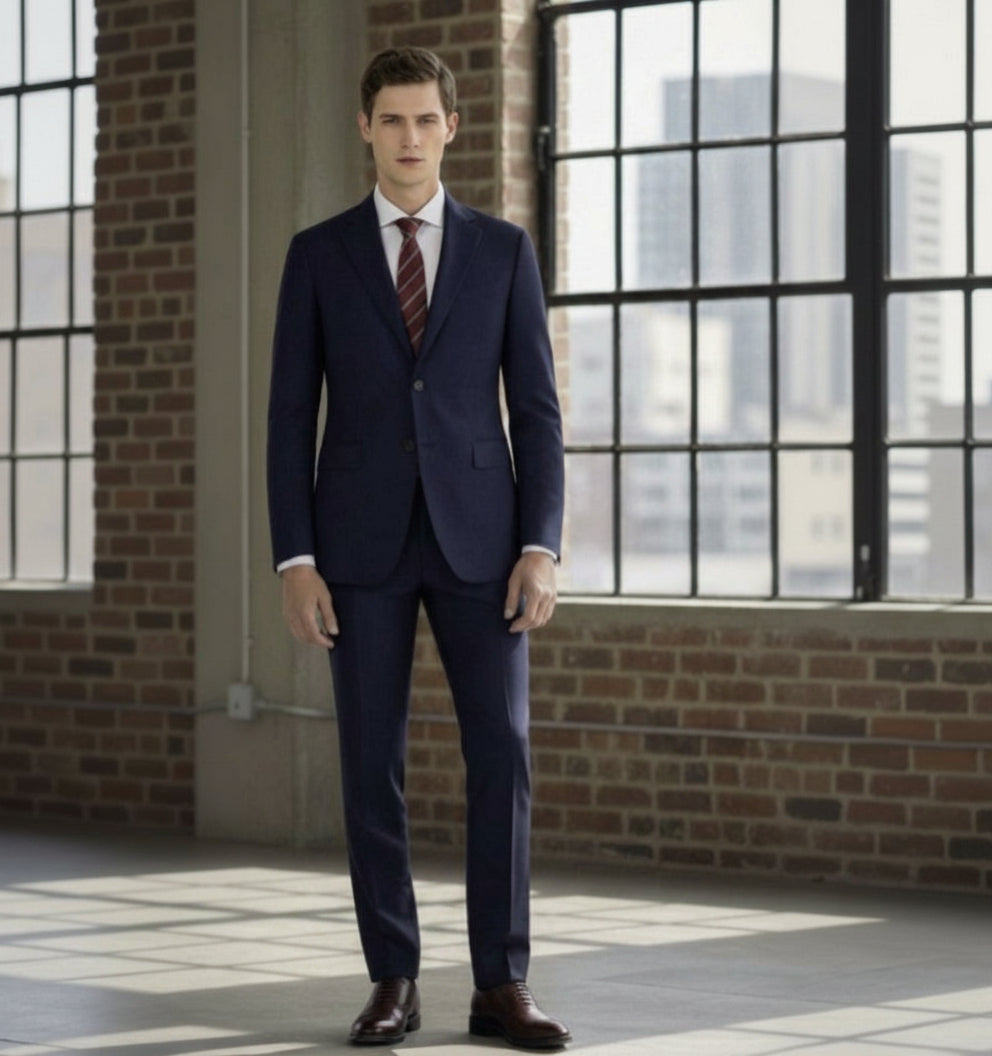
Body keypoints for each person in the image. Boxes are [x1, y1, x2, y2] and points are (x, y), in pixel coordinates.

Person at [266, 47, 569, 1050]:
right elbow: (285, 418)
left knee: (503, 757)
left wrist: (540, 543)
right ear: (364, 128)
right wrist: (294, 558)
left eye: (423, 120)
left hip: (484, 542)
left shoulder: (502, 250)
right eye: (390, 120)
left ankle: (500, 984)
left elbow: (534, 409)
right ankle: (392, 977)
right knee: (370, 765)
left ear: (450, 128)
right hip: (357, 547)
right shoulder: (317, 254)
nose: (407, 138)